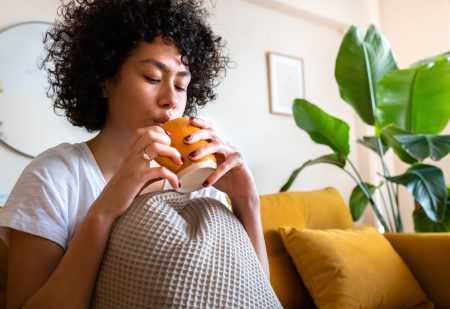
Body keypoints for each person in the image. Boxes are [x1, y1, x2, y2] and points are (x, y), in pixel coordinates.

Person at [0, 0, 272, 308]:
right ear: (104, 79)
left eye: (181, 85)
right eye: (153, 78)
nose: (171, 99)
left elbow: (255, 296)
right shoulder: (55, 176)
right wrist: (104, 212)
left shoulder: (203, 185)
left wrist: (247, 201)